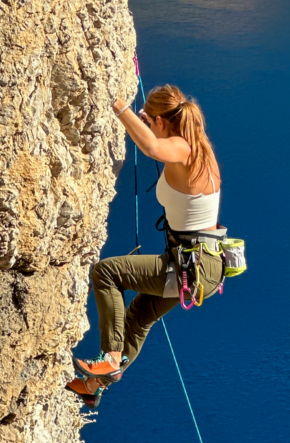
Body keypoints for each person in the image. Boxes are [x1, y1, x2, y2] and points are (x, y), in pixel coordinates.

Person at [66, 85, 225, 408]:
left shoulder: (182, 149)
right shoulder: (197, 143)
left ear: (162, 123)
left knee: (107, 273)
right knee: (139, 316)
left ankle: (110, 357)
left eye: (153, 122)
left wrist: (117, 102)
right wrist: (143, 121)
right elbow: (155, 140)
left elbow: (153, 147)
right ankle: (94, 385)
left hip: (188, 267)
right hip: (205, 265)